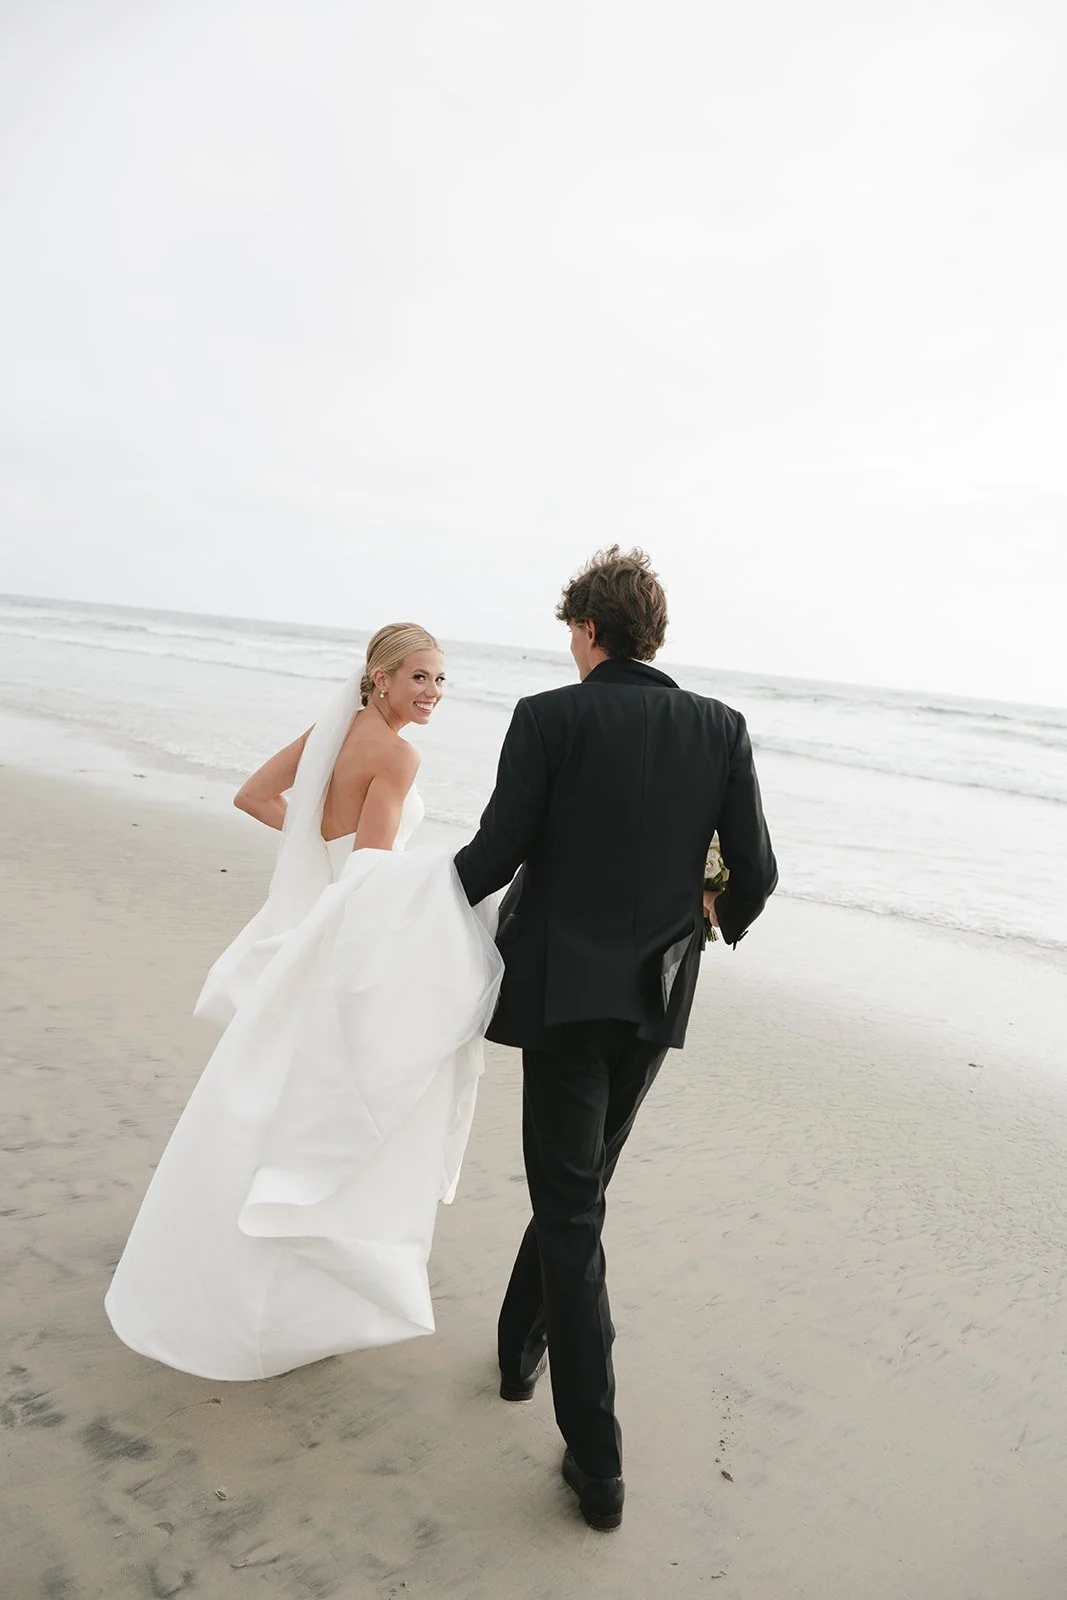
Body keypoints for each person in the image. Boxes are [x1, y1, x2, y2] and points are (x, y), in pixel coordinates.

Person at [454, 548, 778, 1531]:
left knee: (569, 1208)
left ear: (589, 630)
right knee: (576, 1191)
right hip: (654, 998)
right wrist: (709, 914)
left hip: (559, 997)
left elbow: (495, 852)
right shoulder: (718, 727)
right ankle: (517, 1351)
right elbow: (754, 873)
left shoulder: (547, 716)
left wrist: (412, 907)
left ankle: (597, 1464)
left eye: (571, 630)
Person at [105, 624, 503, 1381]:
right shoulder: (396, 754)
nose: (432, 693)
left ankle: (217, 1270)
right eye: (419, 677)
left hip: (295, 932)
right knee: (308, 1127)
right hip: (334, 944)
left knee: (259, 1111)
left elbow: (254, 796)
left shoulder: (332, 730)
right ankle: (274, 1297)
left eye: (441, 680)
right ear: (380, 678)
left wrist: (311, 855)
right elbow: (372, 877)